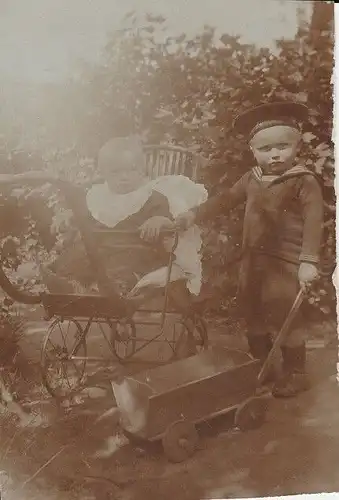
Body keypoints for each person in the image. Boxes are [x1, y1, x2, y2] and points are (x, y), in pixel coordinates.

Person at [176, 101, 324, 397]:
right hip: (252, 260)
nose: (275, 154)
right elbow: (225, 199)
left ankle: (295, 372)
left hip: (285, 262)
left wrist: (308, 261)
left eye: (282, 146)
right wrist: (194, 214)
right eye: (266, 149)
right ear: (254, 152)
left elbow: (313, 222)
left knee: (284, 312)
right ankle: (262, 364)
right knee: (252, 309)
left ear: (296, 147)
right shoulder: (252, 178)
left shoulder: (303, 181)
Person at [43, 135, 207, 354]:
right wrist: (68, 218)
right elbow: (84, 216)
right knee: (77, 254)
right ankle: (68, 284)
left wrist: (159, 221)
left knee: (123, 266)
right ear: (103, 173)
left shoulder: (152, 196)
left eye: (131, 170)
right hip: (100, 250)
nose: (124, 178)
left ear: (143, 170)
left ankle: (110, 294)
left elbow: (168, 218)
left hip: (139, 249)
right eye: (115, 172)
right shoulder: (98, 197)